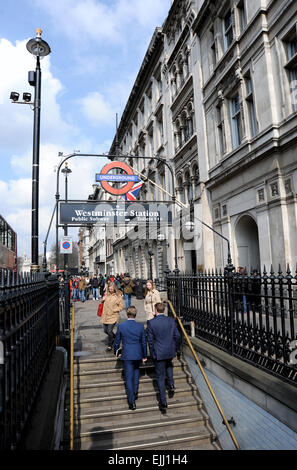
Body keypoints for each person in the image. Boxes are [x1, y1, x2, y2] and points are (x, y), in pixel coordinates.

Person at [147, 302, 181, 411]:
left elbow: (150, 341)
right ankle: (171, 384)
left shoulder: (151, 323)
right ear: (164, 310)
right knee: (169, 365)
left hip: (159, 352)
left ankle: (163, 401)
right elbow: (178, 336)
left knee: (160, 378)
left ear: (156, 310)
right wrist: (175, 348)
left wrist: (152, 353)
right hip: (170, 350)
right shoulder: (171, 320)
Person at [113, 306, 147, 410]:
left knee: (128, 378)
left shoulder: (122, 326)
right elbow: (143, 343)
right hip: (137, 354)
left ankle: (132, 402)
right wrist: (144, 355)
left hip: (127, 354)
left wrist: (116, 351)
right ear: (135, 315)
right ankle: (135, 390)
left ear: (127, 314)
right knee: (136, 373)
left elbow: (117, 341)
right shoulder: (140, 327)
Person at [100, 281, 125, 352]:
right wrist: (102, 300)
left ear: (114, 288)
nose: (110, 290)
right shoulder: (106, 294)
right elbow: (101, 302)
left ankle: (109, 345)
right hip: (105, 315)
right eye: (109, 289)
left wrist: (115, 310)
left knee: (109, 330)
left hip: (113, 315)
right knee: (105, 330)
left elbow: (121, 306)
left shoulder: (118, 296)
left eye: (111, 289)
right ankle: (116, 337)